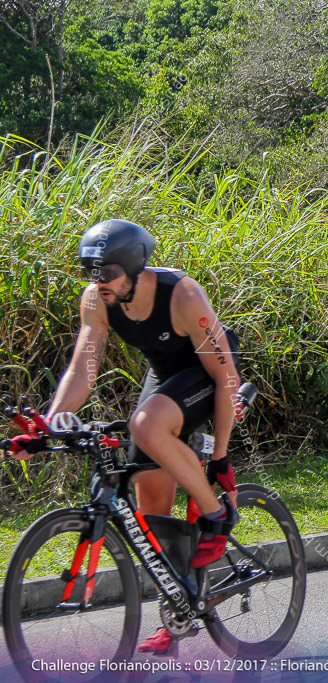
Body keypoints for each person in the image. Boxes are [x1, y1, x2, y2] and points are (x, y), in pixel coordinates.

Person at [25, 219, 243, 653]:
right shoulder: (98, 300)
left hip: (210, 376)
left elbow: (226, 377)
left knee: (145, 424)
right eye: (92, 272)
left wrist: (219, 460)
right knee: (152, 508)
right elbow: (83, 367)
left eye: (107, 272)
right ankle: (178, 614)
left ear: (134, 267)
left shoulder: (182, 294)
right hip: (165, 379)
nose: (97, 282)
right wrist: (50, 423)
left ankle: (216, 513)